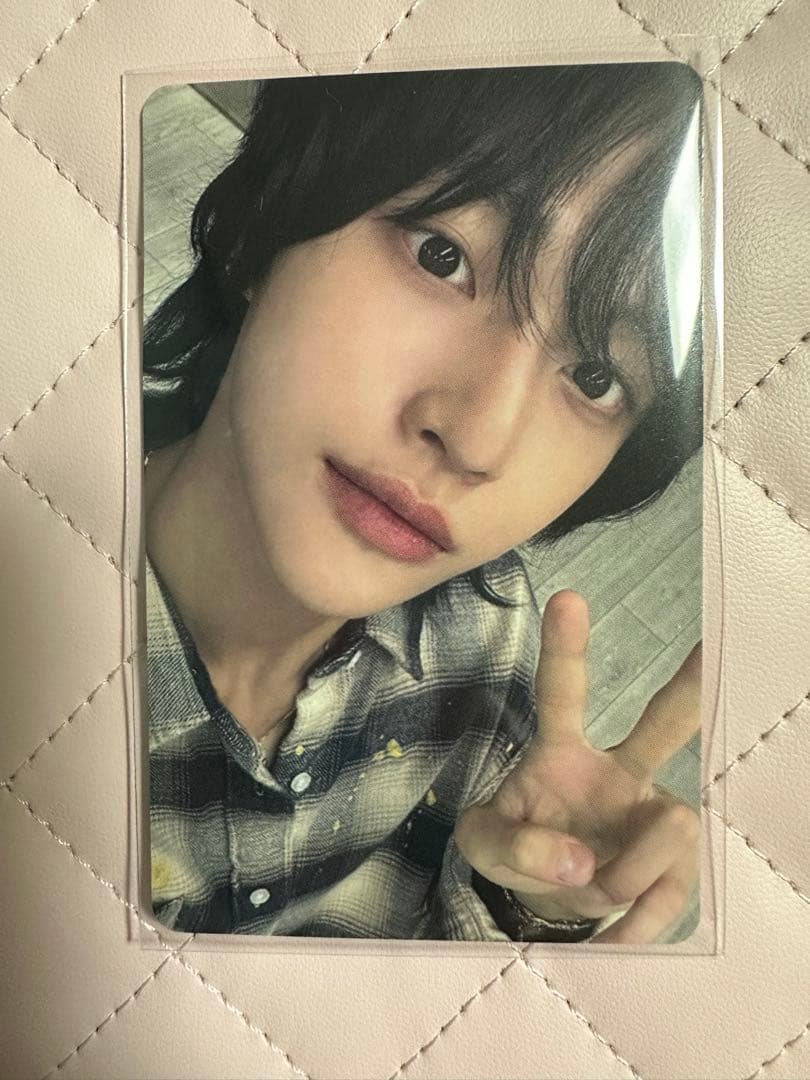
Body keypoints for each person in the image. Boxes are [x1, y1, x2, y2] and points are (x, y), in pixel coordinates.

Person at [143, 63, 703, 941]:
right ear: (276, 211)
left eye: (596, 377)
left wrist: (533, 898)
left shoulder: (489, 639)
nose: (478, 439)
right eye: (443, 256)